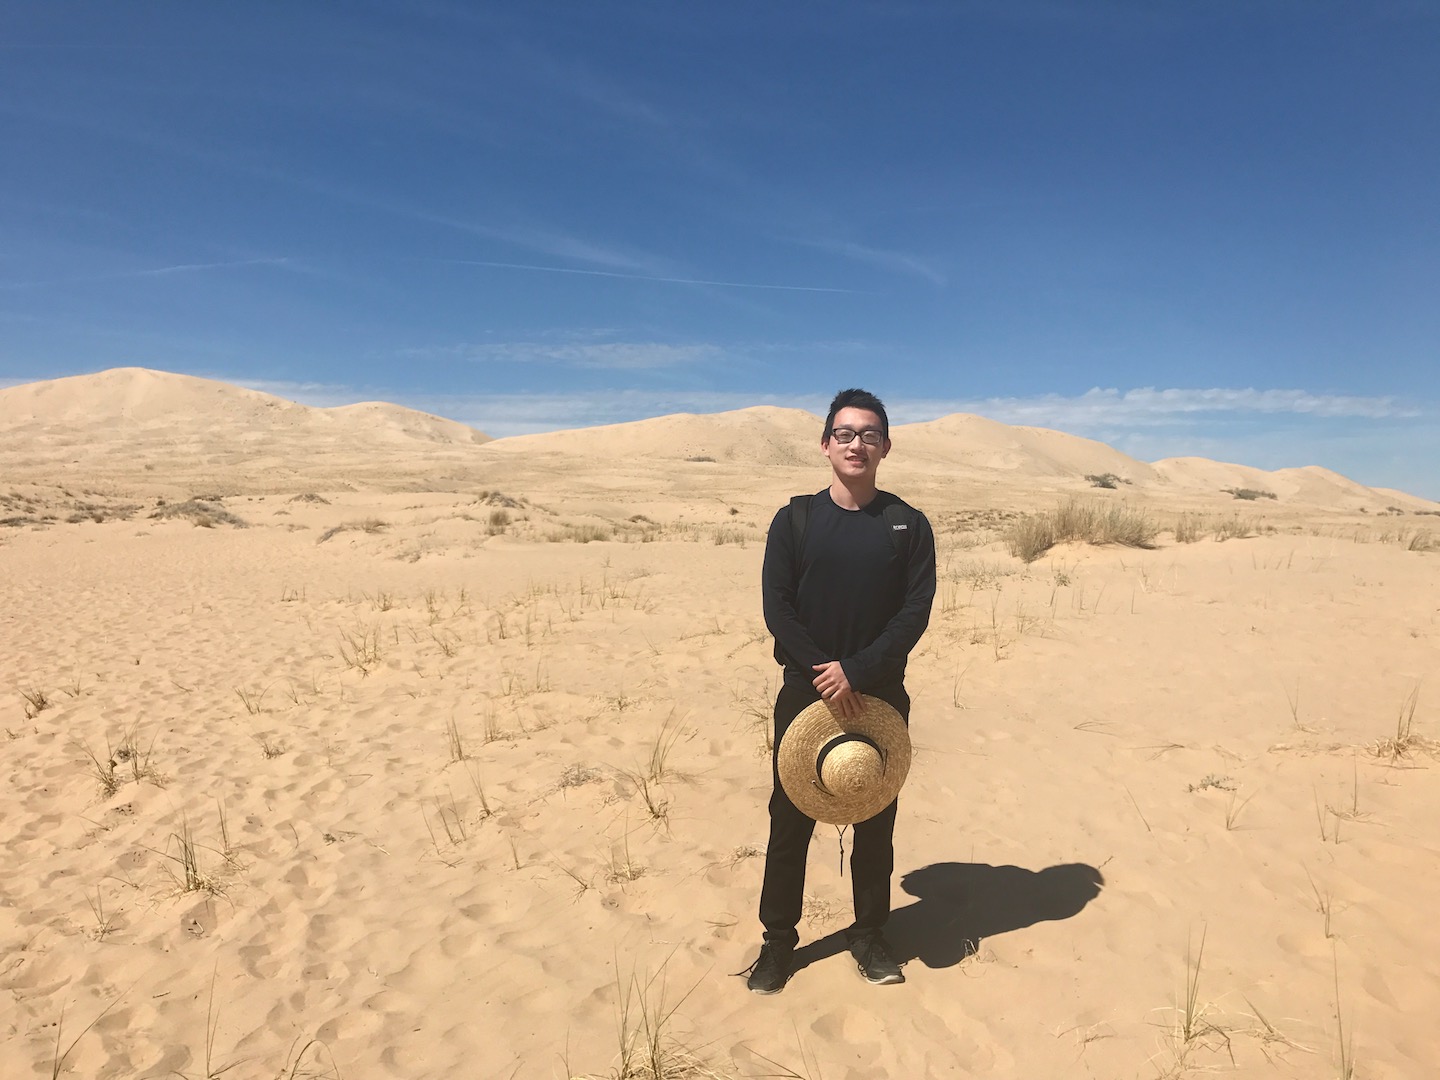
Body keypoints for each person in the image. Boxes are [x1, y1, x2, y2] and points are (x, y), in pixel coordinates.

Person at [745, 387, 937, 993]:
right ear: (826, 444)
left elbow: (914, 613)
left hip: (879, 694)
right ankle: (778, 943)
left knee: (875, 817)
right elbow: (778, 607)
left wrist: (858, 669)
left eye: (870, 434)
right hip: (806, 694)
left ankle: (870, 935)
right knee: (789, 820)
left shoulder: (907, 524)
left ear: (886, 446)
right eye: (846, 434)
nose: (858, 444)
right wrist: (823, 671)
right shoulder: (795, 518)